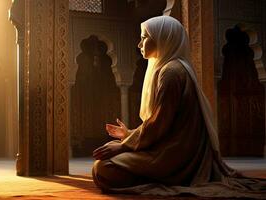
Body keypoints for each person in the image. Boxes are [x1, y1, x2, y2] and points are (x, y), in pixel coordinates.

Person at [92, 15, 266, 199]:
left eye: (144, 37)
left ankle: (166, 179)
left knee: (103, 169)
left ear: (162, 38)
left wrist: (125, 145)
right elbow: (164, 123)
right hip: (170, 148)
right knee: (109, 151)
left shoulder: (171, 73)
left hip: (175, 156)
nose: (139, 44)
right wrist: (128, 135)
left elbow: (159, 124)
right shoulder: (170, 68)